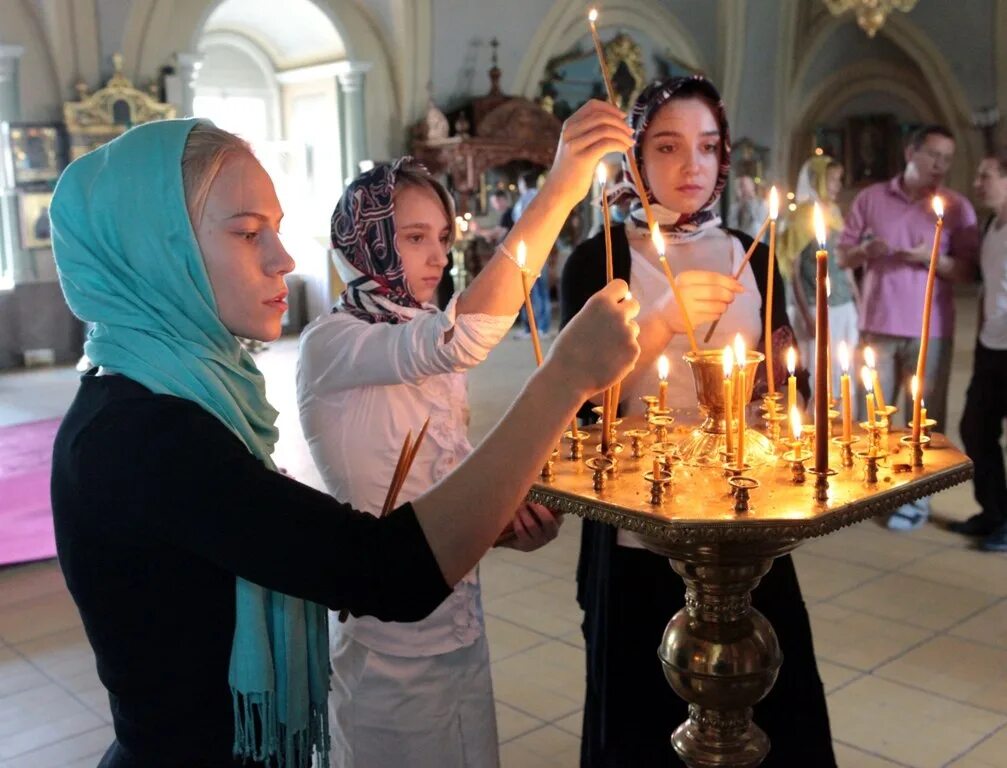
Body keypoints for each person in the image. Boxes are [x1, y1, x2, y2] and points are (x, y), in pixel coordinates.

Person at [47, 117, 641, 768]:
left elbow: (271, 539)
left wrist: (490, 523)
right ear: (154, 250)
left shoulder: (179, 397)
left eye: (274, 228)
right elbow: (383, 571)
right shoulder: (140, 435)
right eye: (248, 233)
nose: (284, 258)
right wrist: (562, 379)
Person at [297, 100, 633, 768]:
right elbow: (462, 338)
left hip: (457, 623)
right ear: (361, 239)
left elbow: (439, 491)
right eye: (414, 236)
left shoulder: (413, 331)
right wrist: (561, 188)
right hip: (388, 645)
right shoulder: (333, 342)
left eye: (443, 238)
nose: (437, 254)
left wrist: (501, 524)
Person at [560, 75, 834, 768]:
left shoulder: (754, 252)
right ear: (636, 160)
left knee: (764, 695)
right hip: (637, 526)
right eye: (668, 146)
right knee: (642, 709)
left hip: (743, 522)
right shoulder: (598, 259)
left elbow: (785, 392)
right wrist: (653, 327)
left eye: (707, 148)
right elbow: (574, 411)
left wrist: (787, 390)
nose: (691, 167)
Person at [838, 125, 979, 530]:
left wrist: (930, 257)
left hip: (930, 328)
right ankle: (873, 488)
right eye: (933, 155)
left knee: (923, 416)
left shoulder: (957, 207)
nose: (940, 165)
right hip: (878, 322)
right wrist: (866, 250)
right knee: (872, 413)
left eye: (947, 159)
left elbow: (968, 271)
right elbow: (843, 255)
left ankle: (917, 495)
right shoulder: (872, 198)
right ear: (910, 152)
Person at [952, 148, 1007, 551]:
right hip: (991, 345)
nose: (977, 183)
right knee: (975, 428)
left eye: (986, 175)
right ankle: (994, 512)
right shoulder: (992, 225)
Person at [784, 155, 859, 394]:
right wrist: (806, 313)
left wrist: (857, 296)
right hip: (815, 305)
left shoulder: (834, 210)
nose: (837, 186)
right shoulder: (804, 215)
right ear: (817, 181)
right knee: (820, 371)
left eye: (839, 180)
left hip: (843, 302)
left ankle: (843, 423)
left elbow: (842, 259)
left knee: (844, 369)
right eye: (832, 180)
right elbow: (792, 268)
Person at [513, 171, 551, 337]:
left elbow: (522, 225)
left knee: (532, 289)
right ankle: (539, 327)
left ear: (523, 183)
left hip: (529, 249)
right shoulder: (543, 197)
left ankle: (537, 327)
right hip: (542, 246)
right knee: (539, 290)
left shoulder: (526, 200)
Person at [726, 173, 769, 241]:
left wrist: (750, 202)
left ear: (752, 186)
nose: (743, 188)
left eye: (744, 185)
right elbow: (731, 227)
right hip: (740, 241)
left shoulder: (761, 203)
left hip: (756, 241)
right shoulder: (735, 207)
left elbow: (759, 222)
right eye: (740, 185)